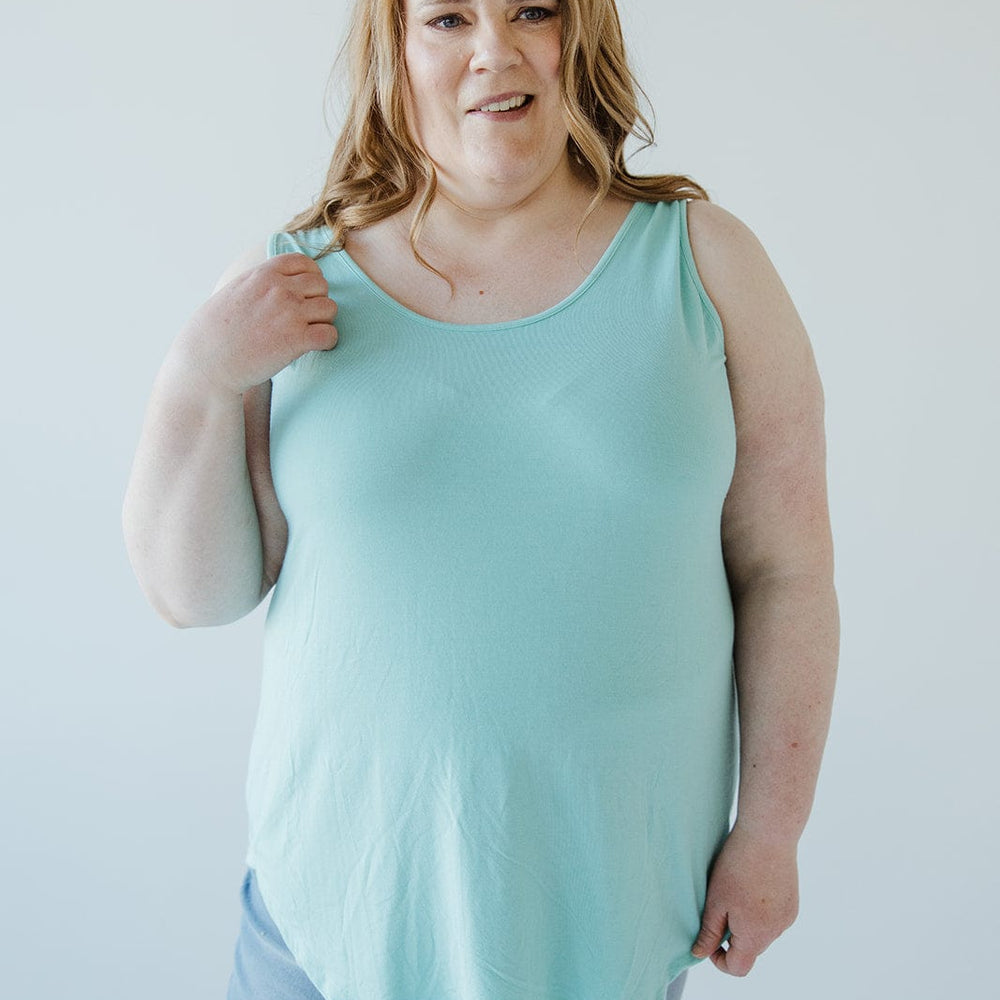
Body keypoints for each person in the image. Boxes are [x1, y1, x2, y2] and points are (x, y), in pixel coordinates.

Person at [122, 0, 839, 997]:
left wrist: (770, 835)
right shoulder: (292, 280)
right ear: (397, 48)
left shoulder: (706, 264)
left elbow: (786, 570)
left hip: (609, 925)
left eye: (531, 11)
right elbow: (194, 594)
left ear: (578, 35)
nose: (492, 51)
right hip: (325, 926)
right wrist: (195, 377)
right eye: (448, 18)